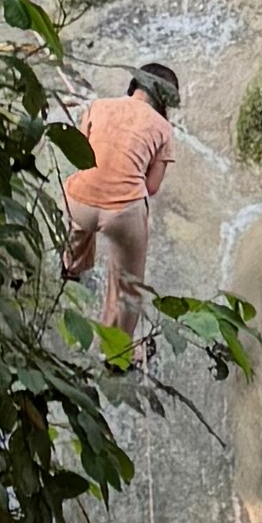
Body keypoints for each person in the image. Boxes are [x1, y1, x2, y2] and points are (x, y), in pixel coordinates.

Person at [62, 61, 180, 345]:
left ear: (134, 85)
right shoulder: (163, 129)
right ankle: (117, 353)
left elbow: (78, 155)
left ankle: (70, 270)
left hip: (77, 202)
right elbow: (151, 188)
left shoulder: (98, 106)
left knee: (80, 217)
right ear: (165, 99)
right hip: (121, 215)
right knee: (126, 284)